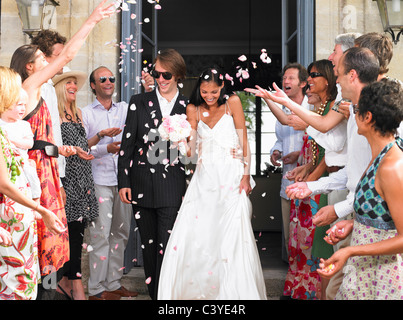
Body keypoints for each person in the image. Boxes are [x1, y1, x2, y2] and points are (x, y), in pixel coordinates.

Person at [9, 0, 116, 299]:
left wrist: (65, 150)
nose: (52, 63)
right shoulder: (29, 86)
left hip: (46, 168)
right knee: (45, 243)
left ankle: (45, 293)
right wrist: (93, 18)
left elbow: (37, 141)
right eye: (44, 59)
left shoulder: (29, 92)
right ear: (31, 66)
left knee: (47, 244)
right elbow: (68, 53)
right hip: (37, 177)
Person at [157, 66, 266, 300]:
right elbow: (190, 154)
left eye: (214, 92)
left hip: (231, 174)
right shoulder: (192, 108)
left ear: (221, 88)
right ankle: (202, 289)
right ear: (200, 89)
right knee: (202, 231)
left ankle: (234, 292)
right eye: (205, 91)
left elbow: (244, 139)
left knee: (234, 230)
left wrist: (246, 175)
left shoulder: (233, 103)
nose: (209, 96)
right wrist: (177, 140)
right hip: (205, 176)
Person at [318, 78, 403, 300]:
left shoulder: (392, 167)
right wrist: (354, 224)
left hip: (383, 279)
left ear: (367, 117)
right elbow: (387, 217)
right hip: (365, 273)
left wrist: (350, 250)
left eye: (355, 109)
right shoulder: (380, 156)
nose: (351, 116)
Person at [118, 48, 188, 300]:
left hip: (173, 187)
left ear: (178, 74)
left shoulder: (189, 106)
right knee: (148, 247)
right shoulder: (138, 102)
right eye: (156, 74)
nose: (160, 79)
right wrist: (123, 182)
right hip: (140, 183)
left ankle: (166, 296)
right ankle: (155, 295)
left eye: (166, 74)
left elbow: (193, 152)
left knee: (167, 245)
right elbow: (127, 145)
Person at [0, 66, 65, 300]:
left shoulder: (16, 128)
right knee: (14, 280)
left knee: (23, 277)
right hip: (8, 217)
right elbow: (4, 184)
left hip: (20, 213)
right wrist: (40, 209)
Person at [82, 66, 137, 300]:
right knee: (100, 236)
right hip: (99, 181)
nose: (108, 81)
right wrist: (107, 147)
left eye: (111, 78)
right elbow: (81, 148)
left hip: (124, 181)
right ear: (93, 85)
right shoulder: (85, 113)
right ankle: (95, 289)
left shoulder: (125, 109)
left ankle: (113, 283)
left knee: (121, 234)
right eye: (102, 79)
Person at [52, 70, 99, 300]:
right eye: (69, 83)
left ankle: (66, 283)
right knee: (69, 235)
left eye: (74, 83)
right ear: (60, 87)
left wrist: (97, 139)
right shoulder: (55, 114)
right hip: (66, 180)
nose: (73, 86)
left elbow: (83, 144)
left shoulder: (78, 112)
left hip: (83, 180)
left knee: (77, 236)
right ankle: (73, 285)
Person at [264, 63, 309, 262]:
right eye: (284, 78)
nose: (285, 82)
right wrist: (276, 151)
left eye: (291, 78)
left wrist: (298, 155)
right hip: (287, 181)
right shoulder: (282, 108)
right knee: (289, 235)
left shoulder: (313, 107)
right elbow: (281, 138)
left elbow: (320, 140)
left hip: (308, 180)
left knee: (307, 236)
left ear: (303, 83)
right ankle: (292, 280)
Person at [31, 30, 68, 204]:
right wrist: (58, 181)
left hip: (53, 167)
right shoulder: (40, 88)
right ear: (44, 57)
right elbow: (46, 136)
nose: (64, 59)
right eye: (59, 55)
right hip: (41, 166)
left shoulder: (50, 87)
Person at [0, 88, 41, 201]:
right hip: (4, 164)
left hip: (22, 162)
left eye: (25, 105)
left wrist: (13, 140)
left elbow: (30, 143)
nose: (23, 108)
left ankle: (35, 200)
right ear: (5, 104)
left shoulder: (23, 125)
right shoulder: (1, 124)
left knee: (31, 173)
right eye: (19, 104)